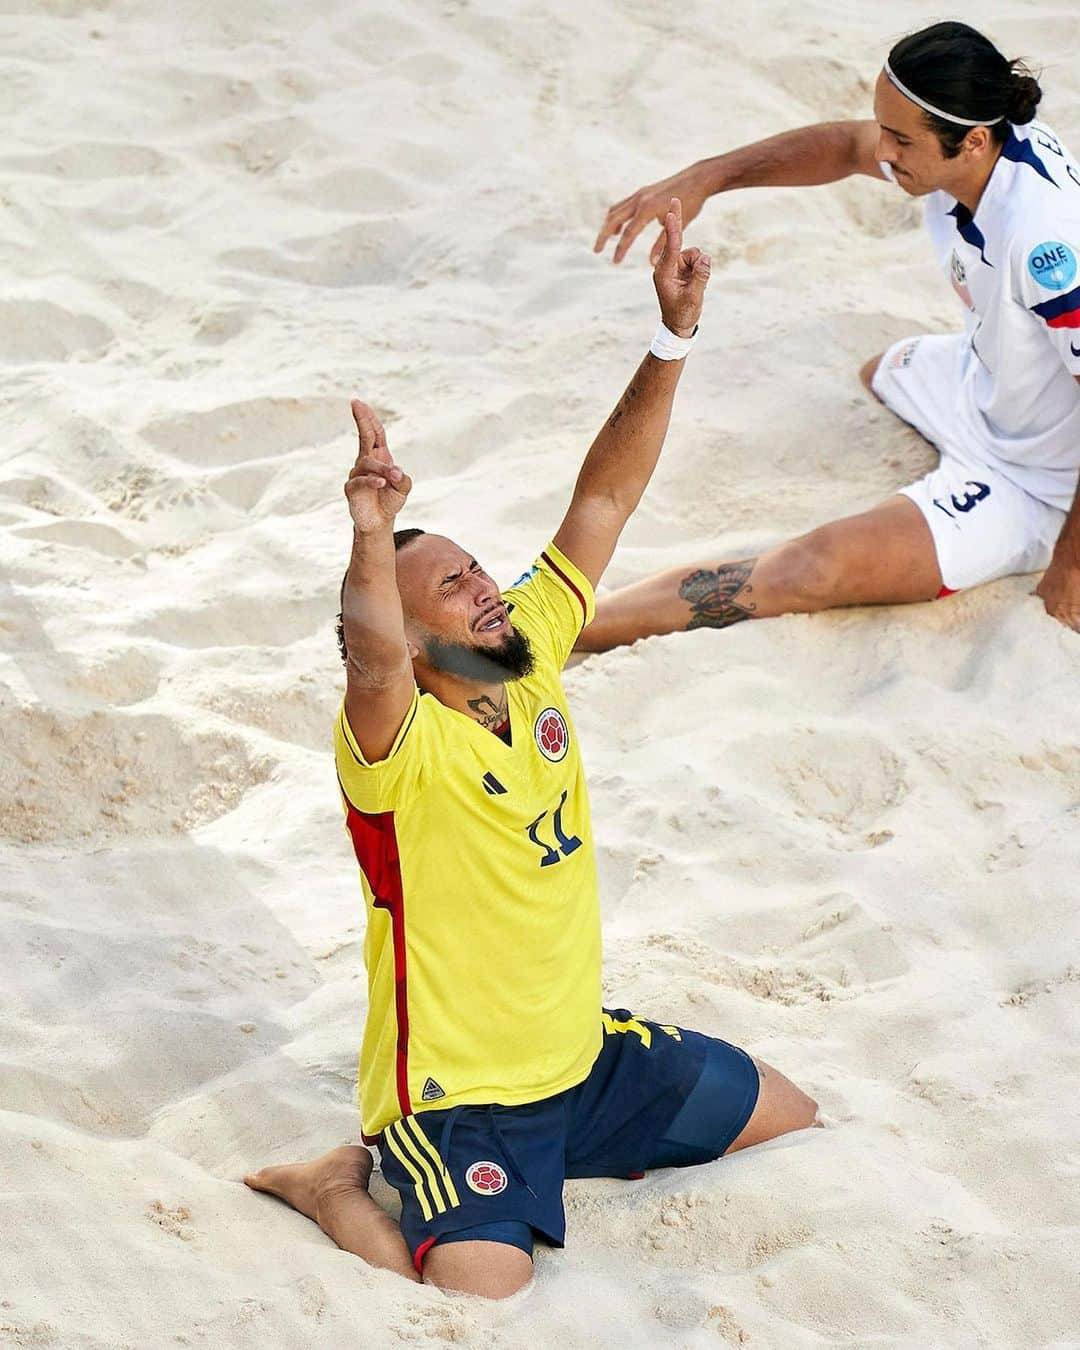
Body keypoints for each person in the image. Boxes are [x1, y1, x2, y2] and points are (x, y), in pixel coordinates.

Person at [244, 202, 818, 1300]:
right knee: (479, 1294)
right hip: (461, 1097)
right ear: (415, 646)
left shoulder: (533, 652)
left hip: (586, 1061)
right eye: (453, 588)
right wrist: (371, 534)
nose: (486, 588)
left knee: (792, 1117)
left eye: (477, 568)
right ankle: (333, 1186)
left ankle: (577, 1138)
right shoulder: (396, 748)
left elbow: (603, 496)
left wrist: (672, 339)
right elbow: (368, 658)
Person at [583, 21, 1080, 652]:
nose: (884, 152)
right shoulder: (985, 149)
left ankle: (564, 629)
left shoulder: (1048, 244)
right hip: (981, 385)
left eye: (900, 140)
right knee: (879, 371)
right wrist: (707, 178)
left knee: (811, 570)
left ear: (973, 141)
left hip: (1039, 480)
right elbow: (847, 147)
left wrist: (1071, 569)